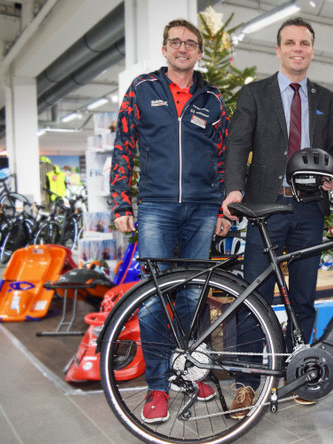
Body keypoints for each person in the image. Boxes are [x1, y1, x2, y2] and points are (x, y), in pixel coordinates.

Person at [109, 18, 230, 423]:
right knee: (153, 299)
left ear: (199, 51)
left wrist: (223, 209)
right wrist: (121, 203)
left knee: (194, 296)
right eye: (175, 42)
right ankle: (158, 387)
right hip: (157, 206)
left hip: (202, 208)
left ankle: (191, 373)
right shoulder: (143, 90)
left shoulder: (212, 98)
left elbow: (225, 156)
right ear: (165, 49)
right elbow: (123, 145)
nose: (183, 48)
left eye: (190, 43)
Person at [222, 17, 333, 415]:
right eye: (289, 42)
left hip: (310, 209)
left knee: (304, 298)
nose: (297, 48)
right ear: (278, 50)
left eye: (304, 43)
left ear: (312, 49)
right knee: (254, 297)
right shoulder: (255, 94)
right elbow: (238, 145)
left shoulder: (325, 98)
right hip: (265, 208)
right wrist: (235, 189)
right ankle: (246, 382)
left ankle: (300, 374)